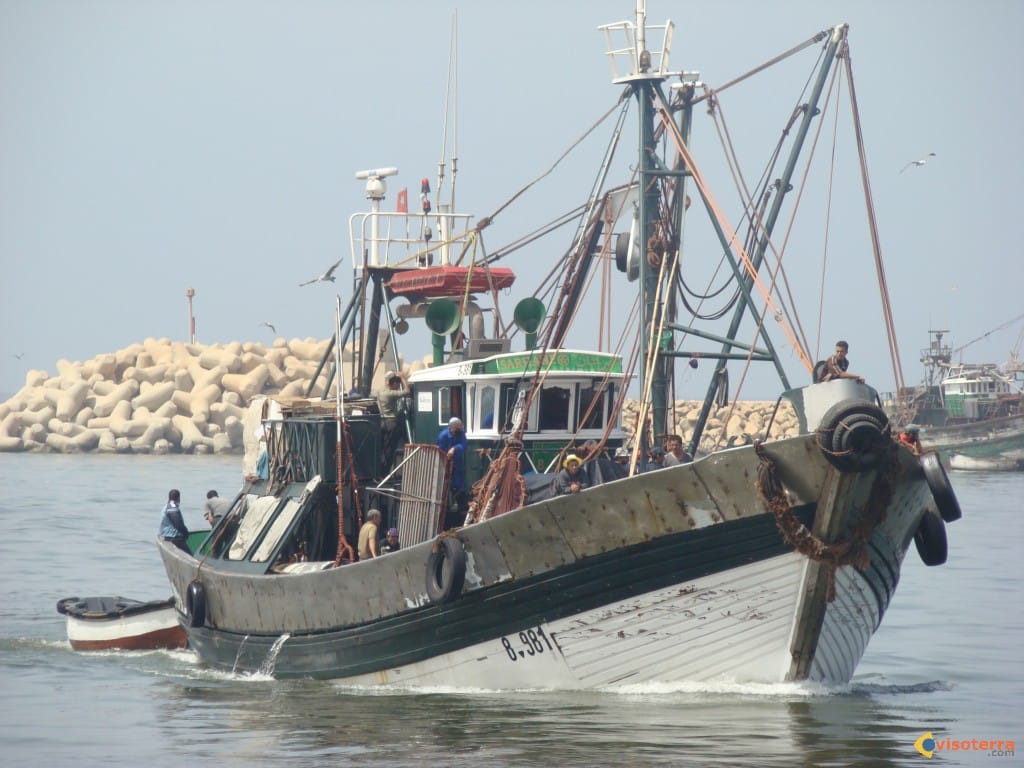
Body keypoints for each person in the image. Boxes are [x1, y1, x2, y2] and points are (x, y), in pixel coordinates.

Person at [437, 416, 469, 528]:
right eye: (459, 426)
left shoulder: (461, 434)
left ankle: (462, 511)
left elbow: (464, 445)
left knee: (459, 487)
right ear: (453, 427)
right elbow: (441, 452)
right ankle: (444, 514)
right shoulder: (443, 436)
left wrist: (455, 448)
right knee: (445, 489)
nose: (461, 428)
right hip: (446, 468)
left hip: (457, 468)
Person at [376, 370, 409, 471]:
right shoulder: (390, 393)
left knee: (383, 448)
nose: (397, 384)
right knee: (389, 449)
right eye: (395, 382)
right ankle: (385, 472)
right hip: (392, 423)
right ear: (391, 382)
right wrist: (403, 378)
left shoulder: (380, 391)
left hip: (382, 422)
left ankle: (381, 470)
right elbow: (407, 391)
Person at [158, 488, 190, 553]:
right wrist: (185, 533)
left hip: (168, 536)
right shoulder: (172, 507)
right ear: (178, 498)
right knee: (190, 556)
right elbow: (178, 523)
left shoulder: (167, 506)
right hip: (174, 538)